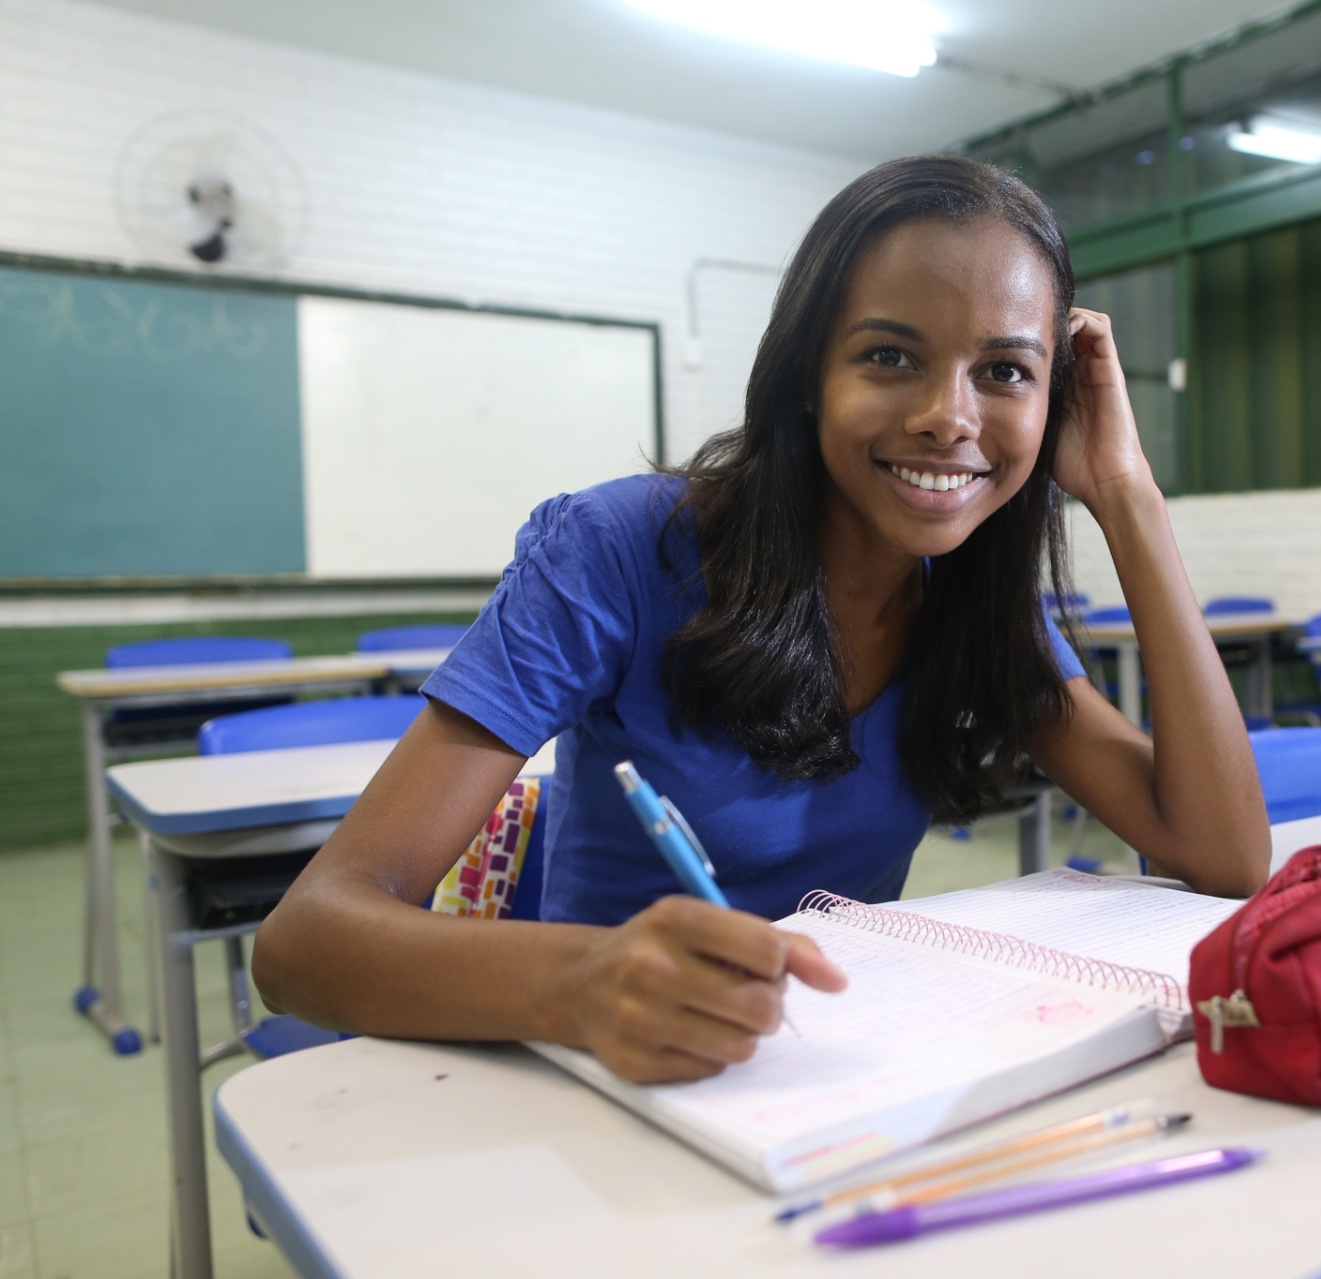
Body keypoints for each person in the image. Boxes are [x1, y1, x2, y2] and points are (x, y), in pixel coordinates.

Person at [253, 155, 1269, 1085]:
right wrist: (582, 980)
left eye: (1004, 371)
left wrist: (1128, 495)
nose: (948, 417)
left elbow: (1222, 858)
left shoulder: (972, 600)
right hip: (605, 1078)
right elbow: (304, 944)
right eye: (889, 357)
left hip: (825, 1074)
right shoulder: (619, 549)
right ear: (805, 376)